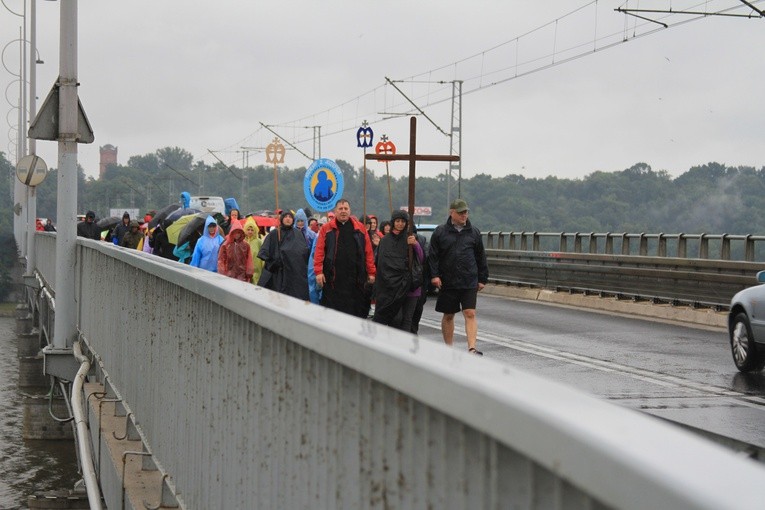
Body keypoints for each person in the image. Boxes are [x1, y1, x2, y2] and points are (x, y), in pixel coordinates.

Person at [428, 198, 489, 355]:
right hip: (448, 280)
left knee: (470, 313)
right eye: (461, 212)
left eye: (466, 212)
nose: (464, 215)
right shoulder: (440, 232)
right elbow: (433, 256)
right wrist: (434, 275)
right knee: (448, 315)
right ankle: (449, 348)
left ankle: (472, 348)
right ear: (452, 213)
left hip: (469, 279)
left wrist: (483, 278)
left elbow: (481, 256)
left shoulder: (474, 232)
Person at [314, 199, 376, 317]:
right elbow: (319, 252)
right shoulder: (326, 228)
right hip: (333, 279)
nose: (343, 211)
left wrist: (372, 272)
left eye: (346, 209)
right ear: (335, 211)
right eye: (340, 209)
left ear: (350, 211)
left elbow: (368, 253)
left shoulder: (360, 229)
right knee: (333, 315)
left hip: (356, 279)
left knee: (355, 313)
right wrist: (318, 272)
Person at [372, 211, 423, 329]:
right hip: (390, 287)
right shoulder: (385, 240)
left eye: (403, 221)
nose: (400, 224)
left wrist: (414, 244)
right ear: (393, 222)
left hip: (409, 285)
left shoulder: (410, 239)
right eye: (397, 221)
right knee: (395, 318)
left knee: (407, 319)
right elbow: (380, 262)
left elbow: (420, 258)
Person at [258, 211, 310, 300]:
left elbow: (303, 252)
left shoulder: (298, 234)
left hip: (293, 274)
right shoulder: (274, 233)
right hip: (277, 273)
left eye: (290, 217)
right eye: (286, 216)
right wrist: (273, 261)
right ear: (282, 219)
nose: (288, 218)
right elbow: (264, 252)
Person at [242, 216, 265, 285]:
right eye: (248, 229)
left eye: (252, 230)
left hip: (256, 268)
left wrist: (263, 265)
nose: (250, 231)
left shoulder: (258, 241)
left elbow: (262, 254)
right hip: (245, 268)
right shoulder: (243, 241)